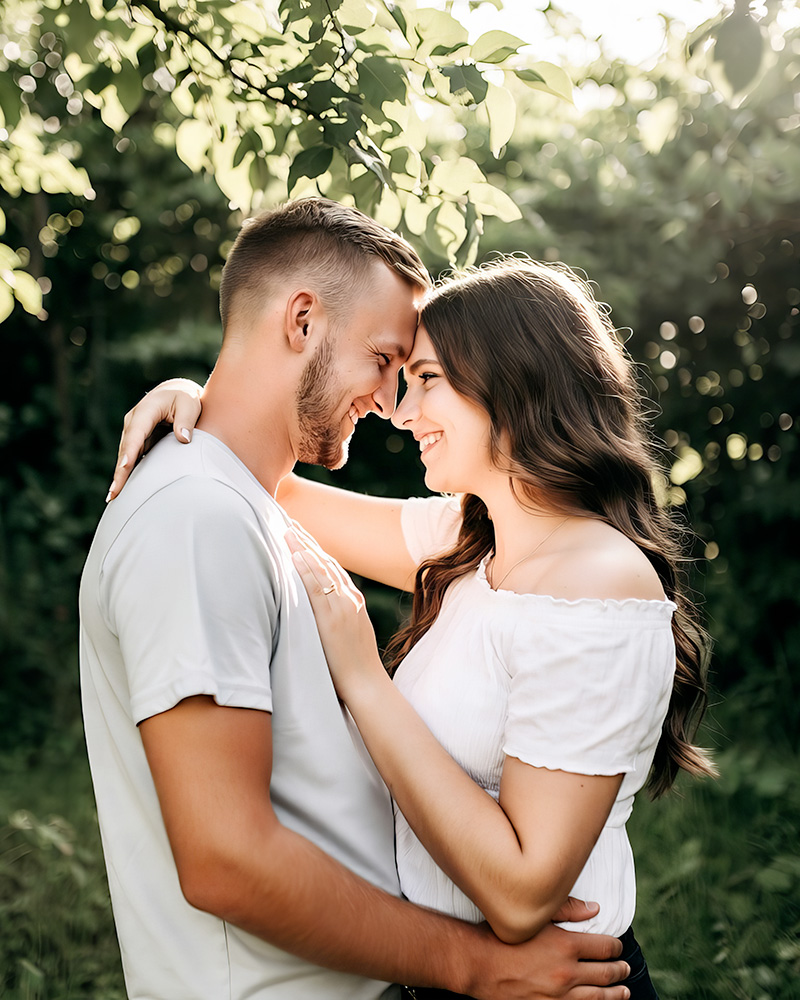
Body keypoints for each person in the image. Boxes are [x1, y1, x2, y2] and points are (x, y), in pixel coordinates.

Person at [115, 256, 716, 999]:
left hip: (555, 983)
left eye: (428, 380)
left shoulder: (599, 581)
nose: (402, 412)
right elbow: (271, 481)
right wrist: (193, 404)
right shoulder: (473, 539)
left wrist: (365, 681)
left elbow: (524, 892)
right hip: (447, 979)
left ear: (514, 382)